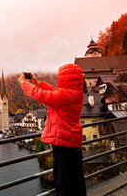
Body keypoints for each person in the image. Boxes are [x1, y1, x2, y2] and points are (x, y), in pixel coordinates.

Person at [18, 64, 86, 196]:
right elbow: (54, 91)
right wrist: (38, 82)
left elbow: (40, 95)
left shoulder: (63, 96)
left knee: (64, 183)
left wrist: (23, 83)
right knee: (76, 180)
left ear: (64, 78)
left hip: (63, 145)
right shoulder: (76, 93)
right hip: (72, 142)